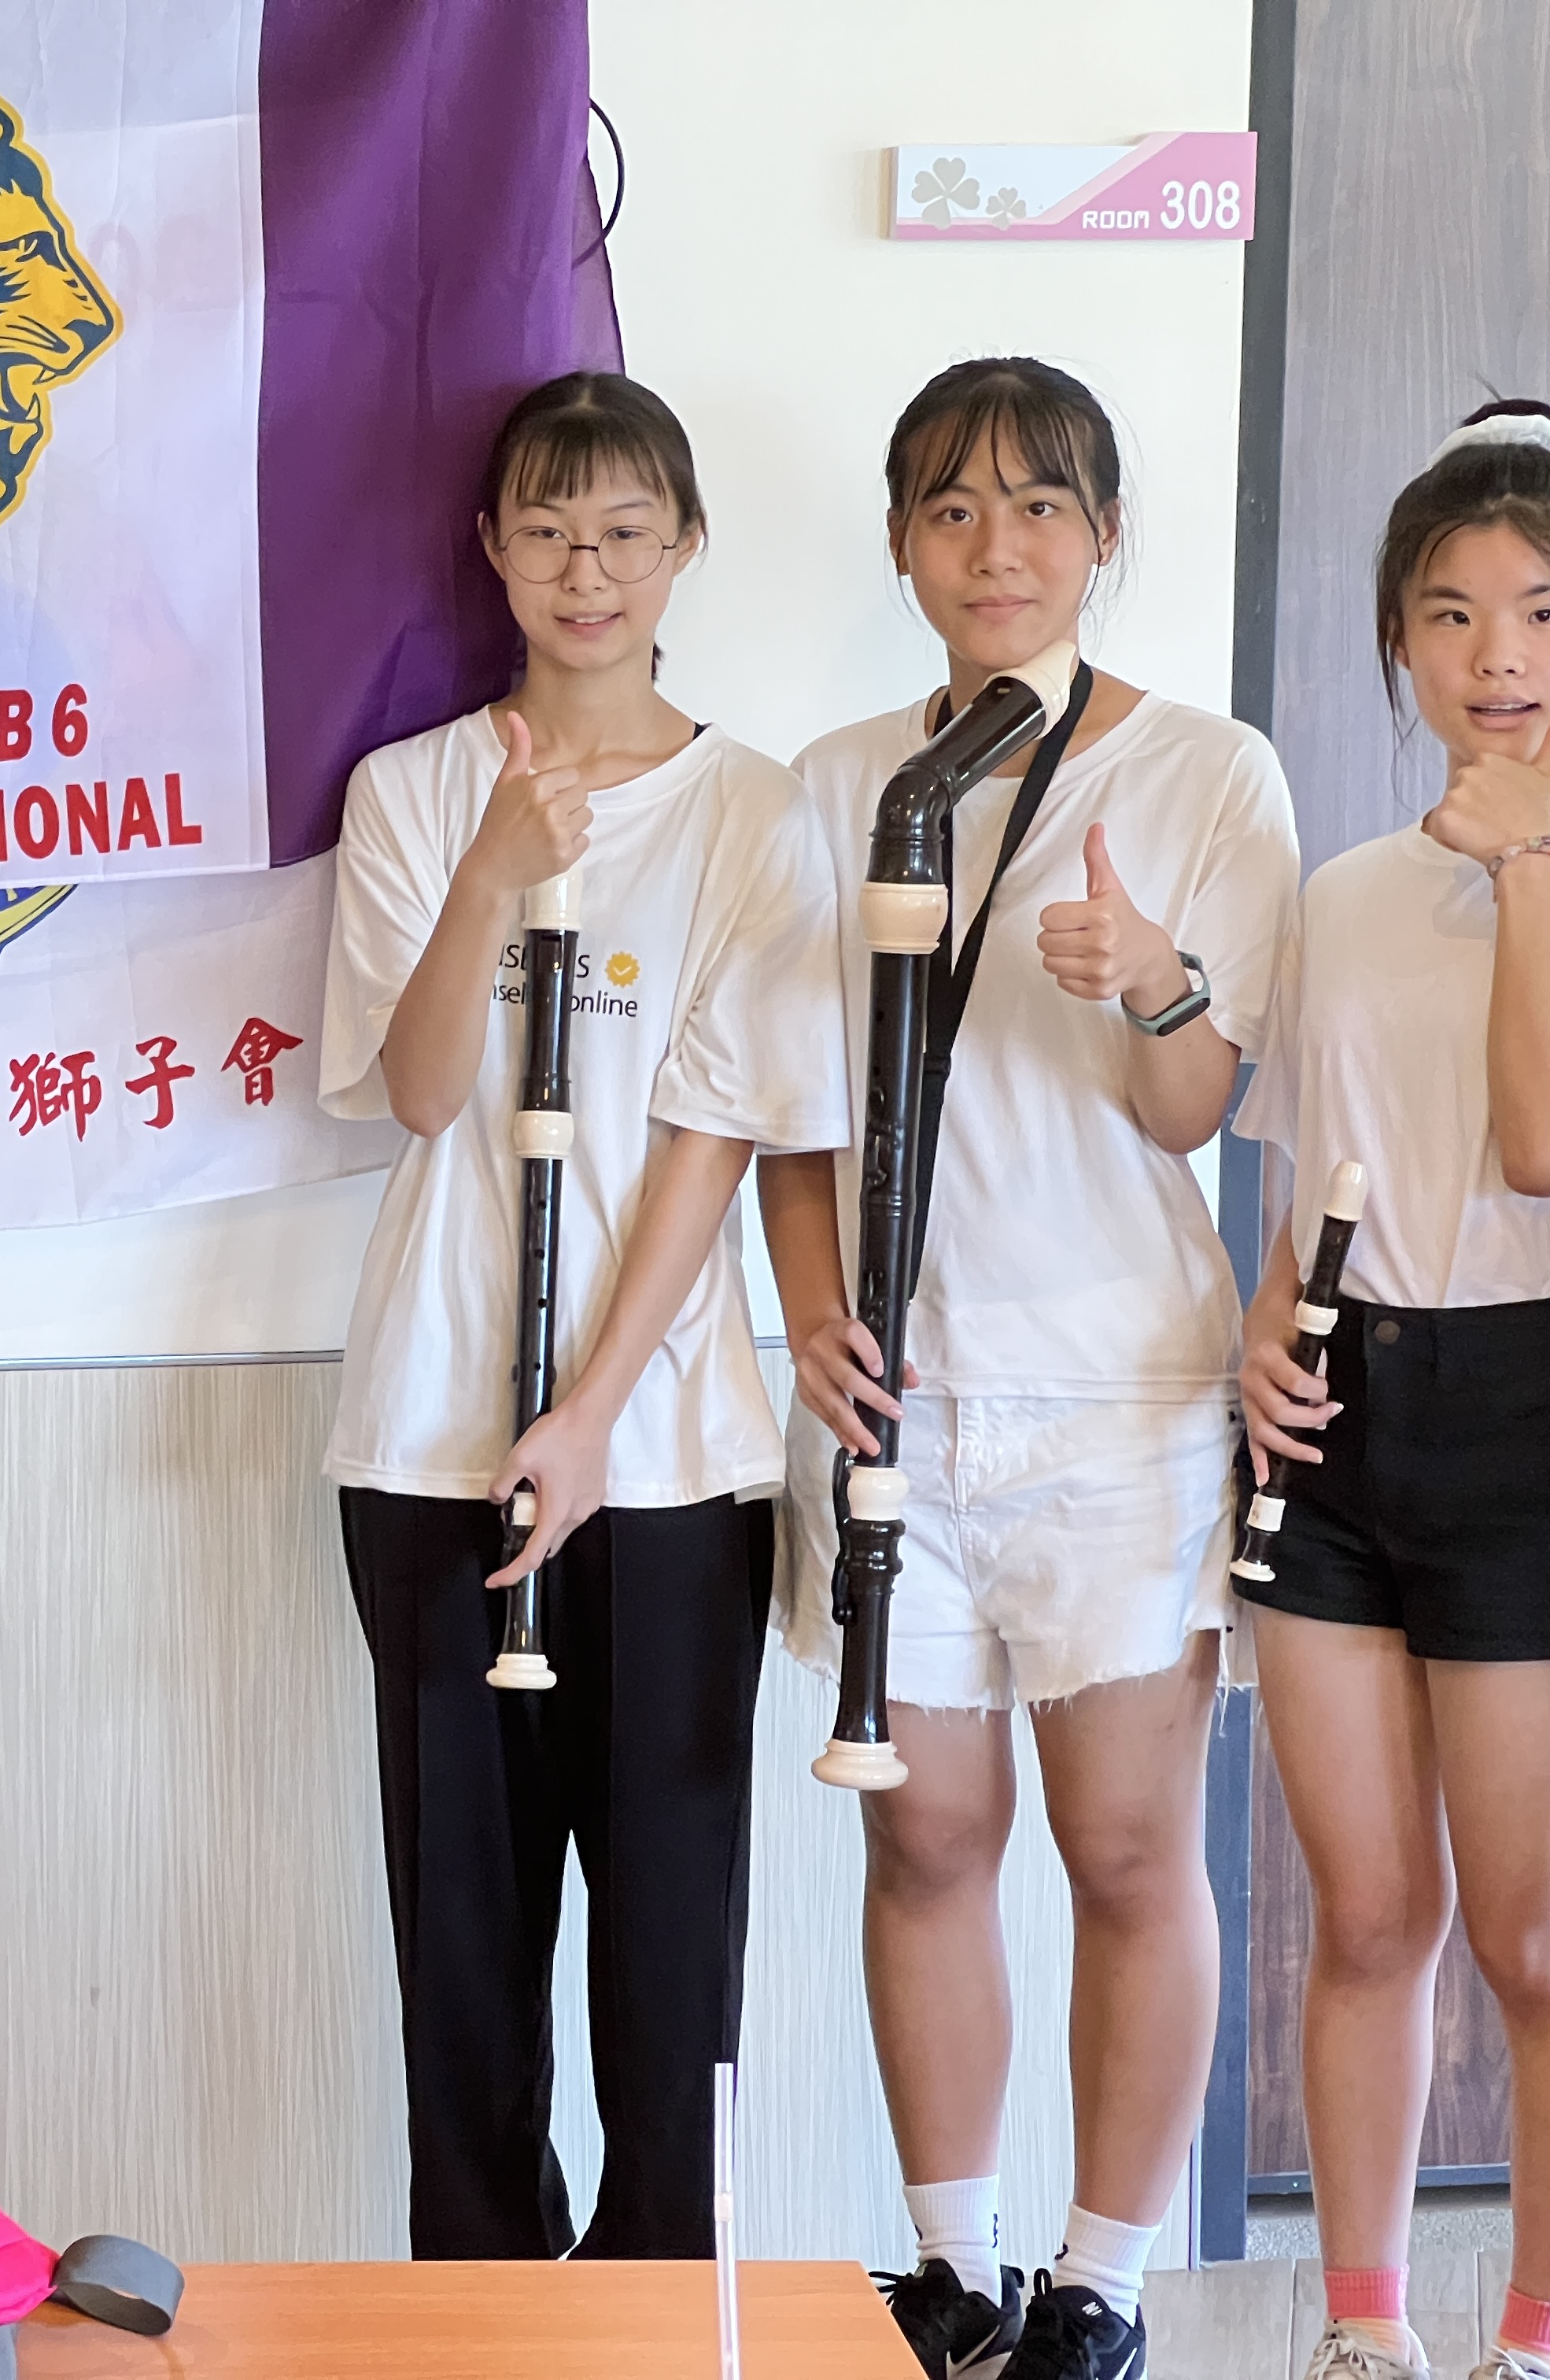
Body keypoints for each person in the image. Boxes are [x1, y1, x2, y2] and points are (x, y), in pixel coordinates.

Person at [764, 357, 1301, 2379]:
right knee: (922, 1840)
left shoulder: (1207, 772)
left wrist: (1151, 978)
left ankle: (1105, 2282)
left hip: (1117, 1403)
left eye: (1041, 505)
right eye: (954, 508)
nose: (998, 547)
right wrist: (810, 1310)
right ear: (904, 545)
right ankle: (955, 2264)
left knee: (1131, 1853)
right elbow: (791, 1109)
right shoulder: (830, 783)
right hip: (899, 1409)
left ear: (1106, 536)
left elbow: (1192, 1112)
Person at [321, 371, 851, 2259]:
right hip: (430, 1439)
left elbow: (719, 1136)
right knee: (461, 1950)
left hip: (671, 1455)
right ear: (492, 548)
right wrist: (493, 869)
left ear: (686, 547)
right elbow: (416, 1092)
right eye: (547, 531)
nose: (586, 569)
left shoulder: (756, 810)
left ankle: (658, 2316)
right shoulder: (411, 792)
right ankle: (479, 2311)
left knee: (669, 1943)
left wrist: (594, 1414)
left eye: (625, 531)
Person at [1235, 401, 1550, 2380]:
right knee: (1365, 1918)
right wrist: (1262, 1332)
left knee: (1534, 1942)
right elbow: (1308, 1165)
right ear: (1399, 643)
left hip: (1527, 1404)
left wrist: (1529, 870)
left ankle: (1530, 2333)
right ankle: (1364, 2328)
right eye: (1449, 613)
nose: (1496, 656)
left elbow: (1536, 1146)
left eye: (1539, 611)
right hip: (1343, 1412)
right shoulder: (1343, 890)